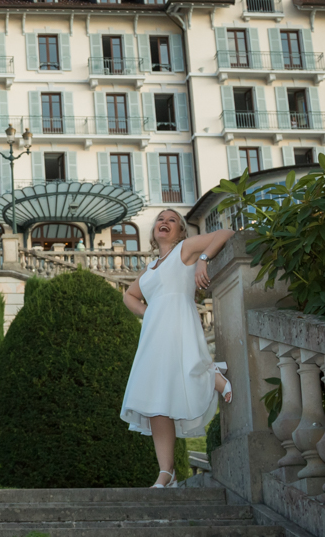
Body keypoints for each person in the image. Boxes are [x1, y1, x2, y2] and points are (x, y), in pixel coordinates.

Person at [120, 209, 233, 488]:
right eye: (160, 219)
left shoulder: (184, 249)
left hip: (178, 320)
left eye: (172, 220)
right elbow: (129, 296)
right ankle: (166, 473)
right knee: (155, 399)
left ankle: (214, 377)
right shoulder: (151, 268)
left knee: (185, 367)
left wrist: (203, 260)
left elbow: (226, 233)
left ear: (181, 231)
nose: (164, 222)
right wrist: (150, 312)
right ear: (153, 231)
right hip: (154, 331)